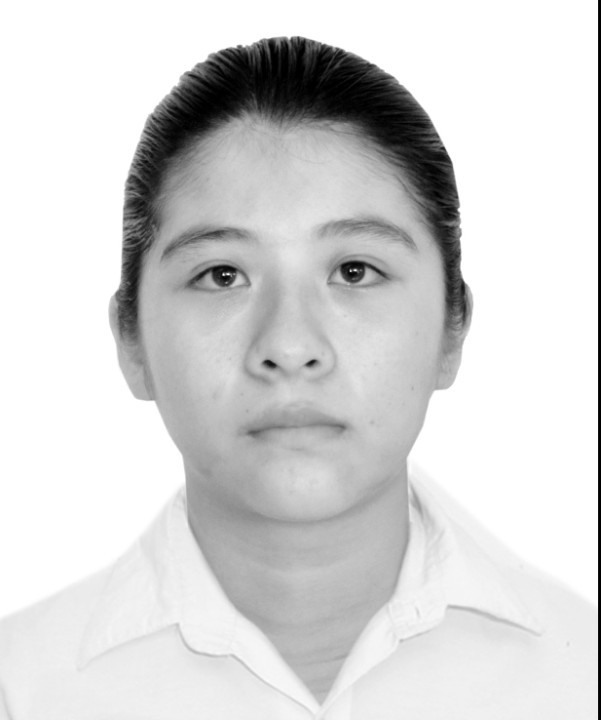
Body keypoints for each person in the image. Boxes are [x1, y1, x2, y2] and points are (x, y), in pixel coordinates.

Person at [0, 36, 596, 719]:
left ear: (451, 329)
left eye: (354, 271)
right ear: (131, 341)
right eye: (222, 275)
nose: (288, 347)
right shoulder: (22, 689)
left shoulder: (583, 680)